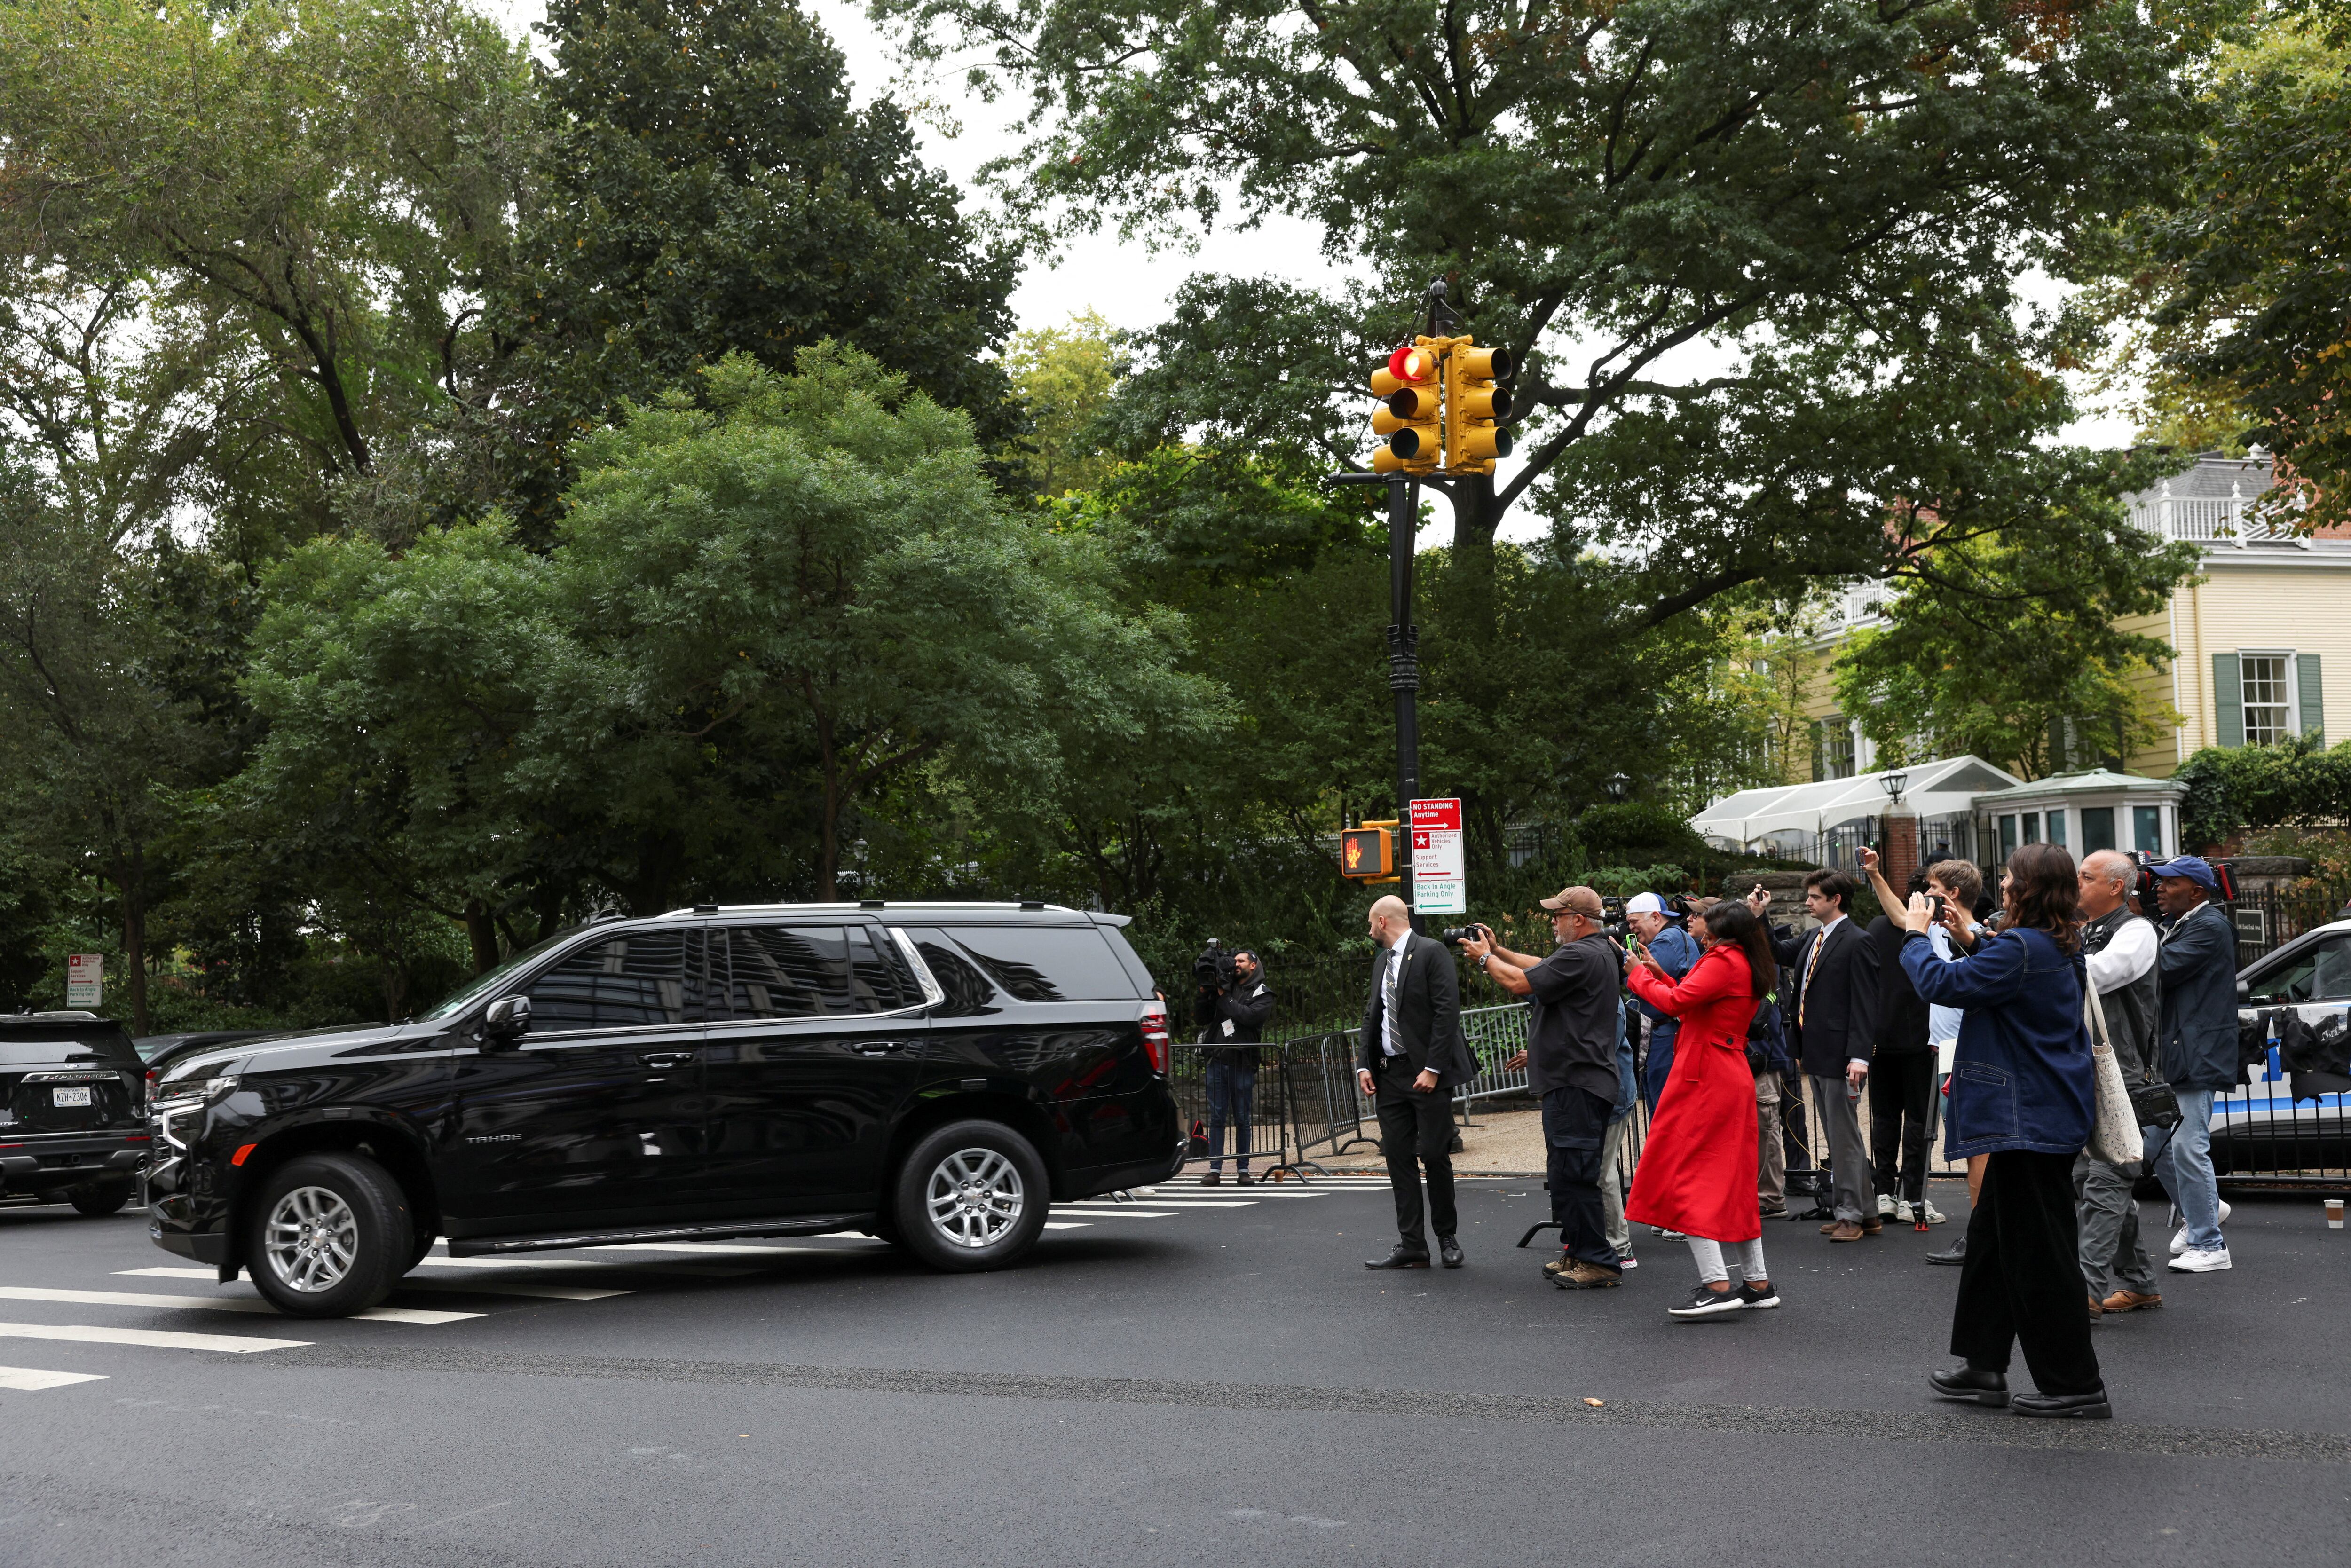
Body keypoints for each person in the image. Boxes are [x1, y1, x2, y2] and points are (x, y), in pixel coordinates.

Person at [1903, 843, 2110, 1420]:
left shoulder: (2023, 946)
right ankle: (1981, 1365)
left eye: (2009, 876)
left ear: (2026, 889)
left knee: (2039, 1256)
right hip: (2042, 1111)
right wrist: (1971, 933)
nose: (2003, 881)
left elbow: (1945, 986)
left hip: (2028, 1118)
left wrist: (1917, 935)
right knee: (1993, 1246)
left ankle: (2075, 1382)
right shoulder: (2055, 941)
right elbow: (2002, 968)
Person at [1462, 886, 1626, 1290]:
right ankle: (1579, 1250)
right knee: (1567, 1172)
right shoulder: (1598, 951)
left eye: (1558, 914)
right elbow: (1539, 966)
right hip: (1579, 1081)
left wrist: (1484, 958)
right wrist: (1499, 951)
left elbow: (1520, 984)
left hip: (1577, 1082)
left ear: (1579, 920)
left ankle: (1598, 1260)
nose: (1553, 921)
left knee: (1575, 1173)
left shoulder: (1581, 953)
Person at [1625, 901, 1781, 1317]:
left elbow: (1676, 1003)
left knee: (1685, 1177)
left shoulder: (1724, 959)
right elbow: (1693, 997)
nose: (1693, 921)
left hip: (1705, 1076)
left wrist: (1637, 976)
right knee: (1733, 1181)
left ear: (1719, 929)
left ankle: (1717, 1284)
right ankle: (1757, 1282)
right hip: (1724, 1071)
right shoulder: (1745, 958)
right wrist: (1656, 973)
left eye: (1699, 917)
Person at [1749, 869, 1879, 1241]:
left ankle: (1852, 1215)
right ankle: (1864, 1213)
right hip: (1816, 1052)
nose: (1808, 902)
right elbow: (1775, 952)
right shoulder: (1813, 936)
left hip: (1842, 1055)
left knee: (1843, 1136)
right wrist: (1761, 915)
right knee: (1842, 1134)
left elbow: (1866, 1003)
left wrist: (1860, 1055)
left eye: (1815, 897)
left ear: (1836, 899)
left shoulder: (1859, 941)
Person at [1357, 896, 1477, 1270]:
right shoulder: (1382, 962)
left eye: (1370, 923)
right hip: (1389, 1076)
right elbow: (1371, 1016)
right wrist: (1364, 1066)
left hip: (1425, 1074)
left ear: (1381, 921)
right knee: (1397, 1156)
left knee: (1436, 1154)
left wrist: (1434, 1068)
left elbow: (1447, 1012)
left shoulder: (1431, 952)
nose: (1369, 930)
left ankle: (1447, 1237)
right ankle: (1413, 1244)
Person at [2075, 851, 2163, 1315]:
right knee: (2083, 1176)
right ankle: (2139, 1282)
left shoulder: (2136, 931)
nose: (2076, 883)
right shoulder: (2085, 931)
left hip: (2122, 1073)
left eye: (2085, 877)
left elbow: (2096, 975)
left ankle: (2085, 1290)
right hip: (2086, 1070)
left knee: (2107, 1178)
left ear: (2114, 887)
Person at [2145, 855, 2239, 1274]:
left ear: (2197, 892)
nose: (2159, 889)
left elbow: (2159, 969)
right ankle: (2204, 1207)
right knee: (2152, 1144)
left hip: (2197, 1052)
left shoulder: (2210, 927)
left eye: (2170, 883)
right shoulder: (2180, 925)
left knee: (2187, 1144)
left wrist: (2135, 932)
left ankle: (2209, 1242)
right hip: (2177, 1050)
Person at [1857, 849, 1935, 1225]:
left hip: (1881, 1035)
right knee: (1920, 1119)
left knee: (1885, 1117)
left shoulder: (1874, 927)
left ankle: (1884, 1192)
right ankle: (1914, 1197)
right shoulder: (1933, 930)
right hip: (1922, 1037)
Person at [1198, 947, 1272, 1187]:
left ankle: (1243, 1169)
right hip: (1217, 1062)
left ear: (1253, 965)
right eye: (1235, 961)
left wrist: (1223, 995)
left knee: (1242, 1117)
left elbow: (1247, 1016)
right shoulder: (1223, 988)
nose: (1236, 964)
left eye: (1241, 961)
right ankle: (1214, 1169)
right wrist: (1205, 992)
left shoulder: (1263, 993)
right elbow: (1200, 1017)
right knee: (1217, 1117)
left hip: (1243, 1063)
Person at [1625, 892, 1701, 1113]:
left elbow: (1637, 981)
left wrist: (1624, 961)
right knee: (1659, 1106)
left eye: (1634, 922)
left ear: (1656, 918)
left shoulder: (1668, 940)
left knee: (1664, 1110)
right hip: (1662, 1033)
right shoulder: (1672, 937)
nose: (1631, 928)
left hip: (1666, 1035)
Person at [1602, 993, 1641, 1269]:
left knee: (1603, 1172)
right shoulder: (1601, 987)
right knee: (1602, 1170)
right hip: (1611, 1091)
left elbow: (1603, 1050)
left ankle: (1620, 1246)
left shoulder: (1609, 1002)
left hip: (1613, 1093)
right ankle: (1612, 1242)